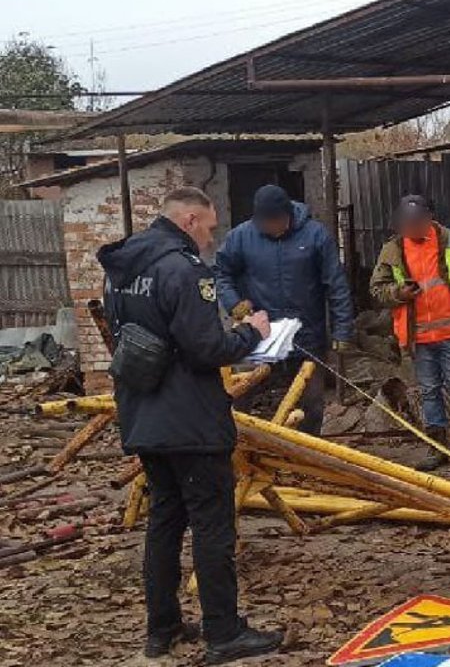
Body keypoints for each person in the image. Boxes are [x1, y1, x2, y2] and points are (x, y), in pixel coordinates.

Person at [97, 186, 283, 663]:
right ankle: (224, 632)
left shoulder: (121, 271)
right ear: (189, 220)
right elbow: (206, 349)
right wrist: (253, 332)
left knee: (163, 522)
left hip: (144, 415)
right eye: (209, 226)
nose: (211, 237)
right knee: (211, 527)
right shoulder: (183, 269)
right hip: (190, 422)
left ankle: (162, 628)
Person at [215, 184, 355, 435]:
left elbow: (336, 286)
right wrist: (233, 303)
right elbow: (222, 273)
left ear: (287, 215)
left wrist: (342, 331)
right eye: (263, 222)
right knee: (240, 395)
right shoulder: (241, 237)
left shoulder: (316, 236)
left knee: (310, 404)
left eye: (274, 221)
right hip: (258, 336)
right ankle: (241, 451)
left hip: (306, 336)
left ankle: (304, 456)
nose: (269, 227)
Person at [369, 195, 450, 471]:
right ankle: (437, 449)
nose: (411, 229)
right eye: (406, 224)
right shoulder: (393, 250)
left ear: (428, 219)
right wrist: (398, 293)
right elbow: (377, 290)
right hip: (419, 340)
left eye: (415, 223)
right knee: (429, 393)